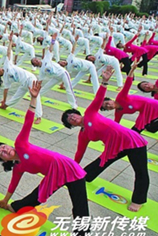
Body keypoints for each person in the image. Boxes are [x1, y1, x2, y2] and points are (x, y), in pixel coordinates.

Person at [0, 80, 90, 236]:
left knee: (80, 209)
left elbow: (28, 121)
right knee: (34, 197)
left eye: (4, 147)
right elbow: (13, 184)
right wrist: (5, 200)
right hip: (53, 176)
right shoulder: (18, 167)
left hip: (68, 168)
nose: (5, 150)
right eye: (2, 153)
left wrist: (33, 99)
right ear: (4, 160)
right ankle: (14, 207)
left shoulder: (20, 144)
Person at [61, 66, 149, 212]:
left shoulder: (90, 113)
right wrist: (73, 168)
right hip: (115, 147)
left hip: (131, 141)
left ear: (77, 113)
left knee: (140, 171)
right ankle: (85, 176)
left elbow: (99, 98)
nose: (72, 118)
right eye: (69, 120)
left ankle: (138, 200)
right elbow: (79, 152)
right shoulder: (83, 134)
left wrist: (104, 82)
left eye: (72, 115)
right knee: (101, 161)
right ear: (71, 125)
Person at [0, 33, 43, 124]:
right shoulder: (6, 78)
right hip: (24, 83)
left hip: (30, 78)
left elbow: (9, 53)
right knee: (16, 96)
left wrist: (10, 41)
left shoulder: (7, 65)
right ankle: (5, 105)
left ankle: (39, 116)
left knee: (35, 97)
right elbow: (6, 90)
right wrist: (4, 100)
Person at [101, 61, 158, 133]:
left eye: (107, 103)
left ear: (111, 100)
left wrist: (132, 69)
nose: (109, 105)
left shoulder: (120, 97)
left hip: (152, 105)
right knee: (140, 129)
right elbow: (116, 124)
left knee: (137, 129)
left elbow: (127, 84)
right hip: (144, 112)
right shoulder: (119, 112)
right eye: (107, 107)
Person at [31, 32, 77, 109]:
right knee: (46, 87)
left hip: (63, 73)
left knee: (68, 88)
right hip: (56, 77)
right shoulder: (41, 71)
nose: (37, 60)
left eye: (36, 59)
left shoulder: (46, 59)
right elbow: (40, 82)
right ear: (35, 65)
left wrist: (53, 41)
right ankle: (37, 97)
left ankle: (74, 105)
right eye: (35, 62)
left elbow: (50, 49)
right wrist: (35, 89)